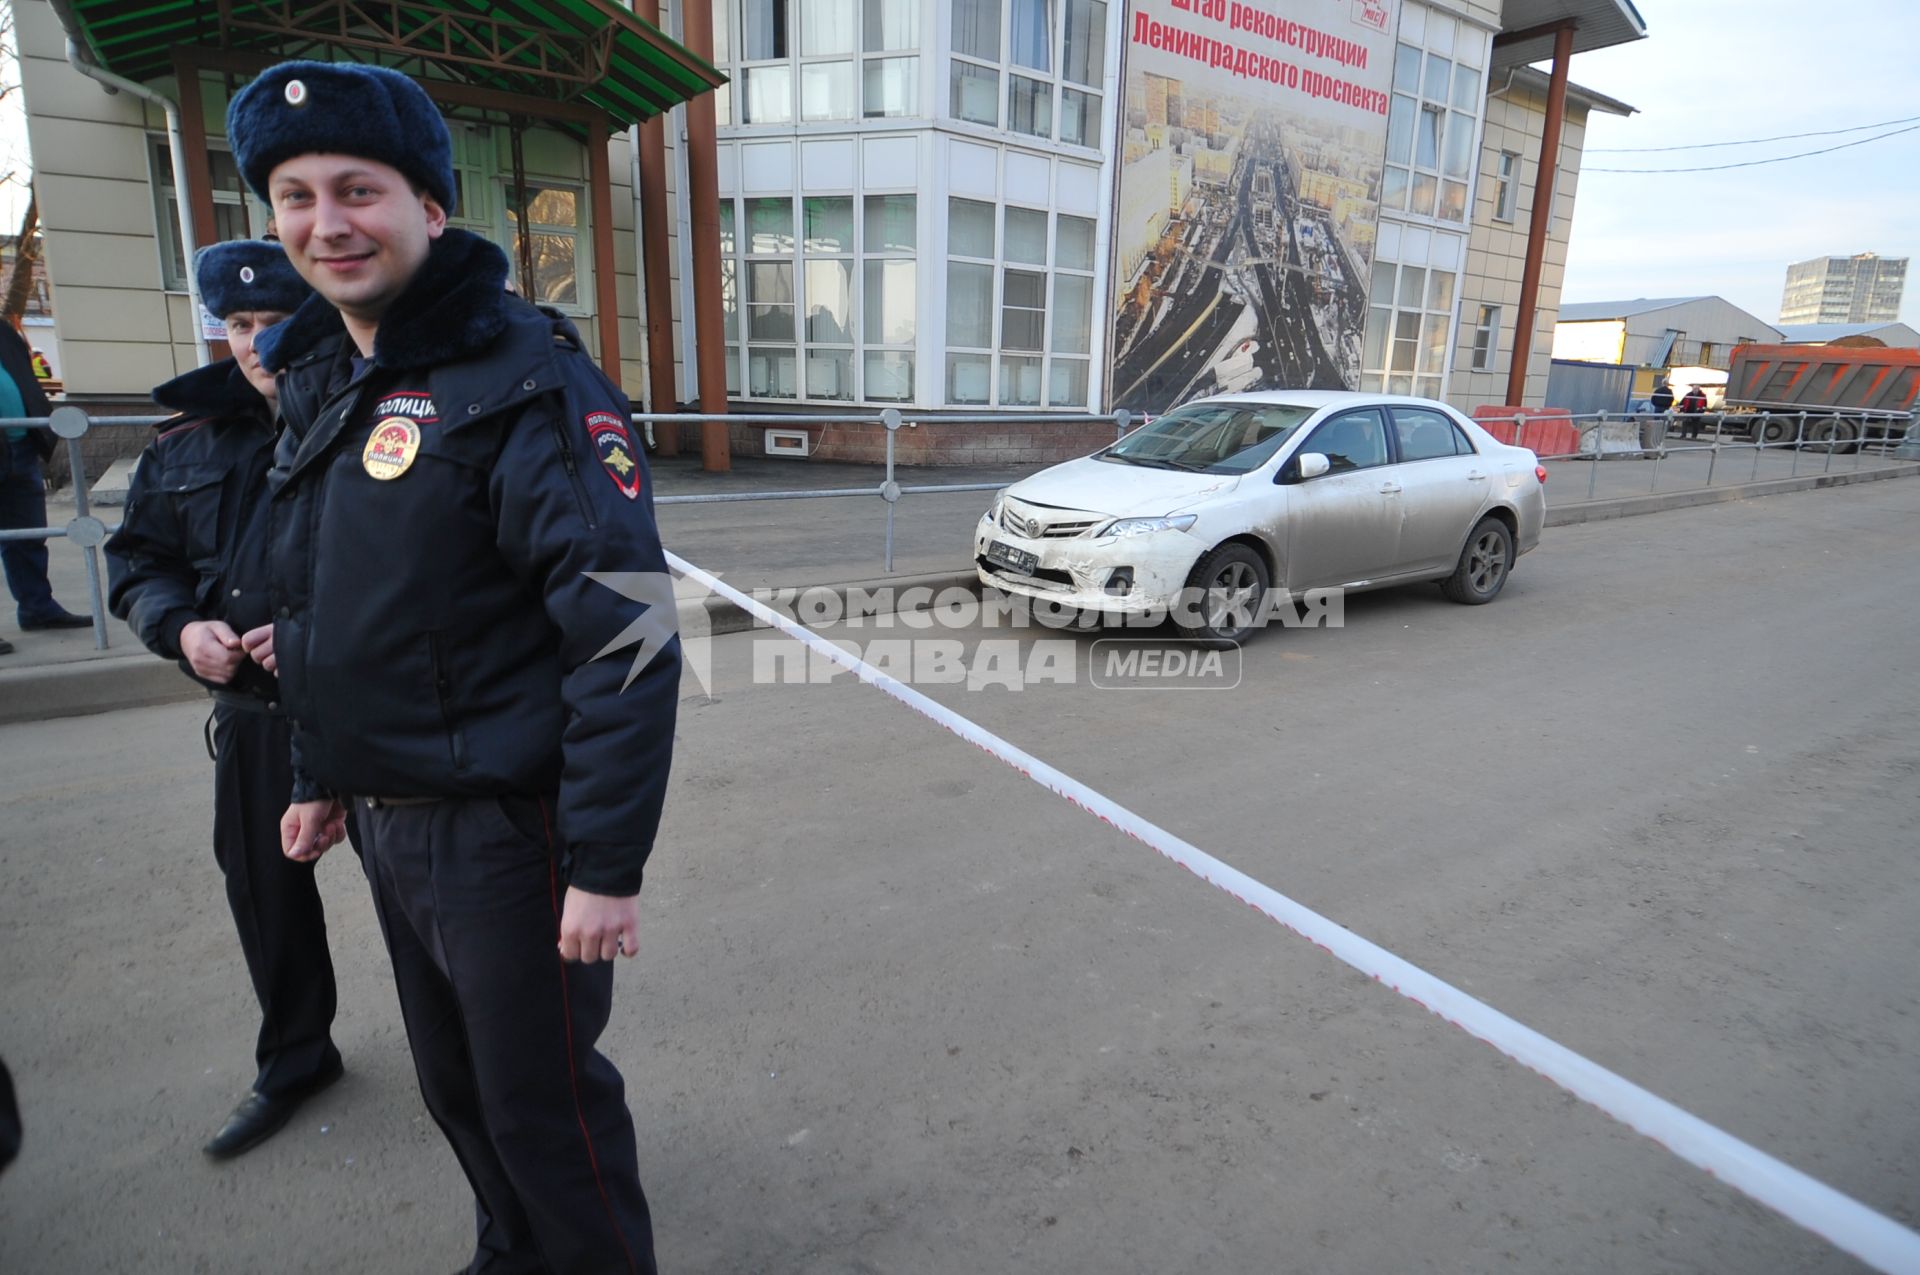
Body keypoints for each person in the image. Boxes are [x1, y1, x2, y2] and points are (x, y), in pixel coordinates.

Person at [227, 60, 680, 1274]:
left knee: (546, 1108)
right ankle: (510, 1252)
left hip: (509, 838)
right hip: (388, 819)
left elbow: (628, 635)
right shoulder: (324, 381)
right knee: (457, 1089)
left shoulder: (528, 380)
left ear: (432, 207)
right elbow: (325, 605)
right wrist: (321, 770)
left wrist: (604, 866)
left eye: (359, 189)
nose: (328, 223)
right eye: (296, 195)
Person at [104, 241, 346, 1159]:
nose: (255, 341)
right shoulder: (186, 444)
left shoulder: (378, 417)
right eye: (238, 325)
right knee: (266, 895)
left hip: (372, 709)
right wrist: (180, 629)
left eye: (275, 319)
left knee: (425, 901)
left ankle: (472, 1059)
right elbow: (141, 562)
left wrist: (327, 632)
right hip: (252, 714)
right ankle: (296, 1055)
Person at [0, 320, 91, 654]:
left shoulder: (3, 331)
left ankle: (38, 608)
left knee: (27, 535)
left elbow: (24, 376)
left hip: (20, 444)